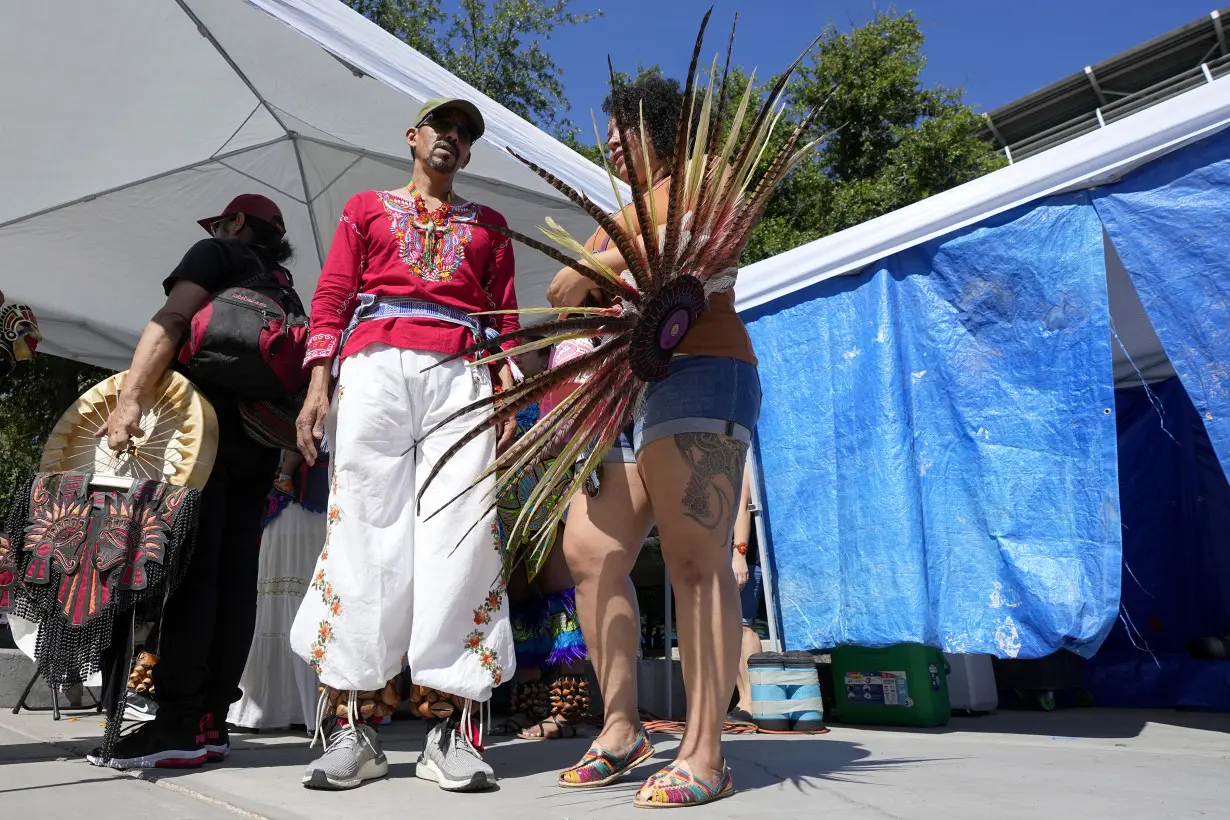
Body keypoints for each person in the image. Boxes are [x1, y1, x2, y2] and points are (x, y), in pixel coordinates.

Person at [290, 96, 518, 792]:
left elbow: (503, 313)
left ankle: (453, 730)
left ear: (469, 154)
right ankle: (352, 728)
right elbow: (332, 295)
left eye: (464, 135)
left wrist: (506, 389)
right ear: (413, 137)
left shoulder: (489, 224)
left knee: (462, 536)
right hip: (373, 365)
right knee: (362, 531)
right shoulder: (364, 207)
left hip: (461, 369)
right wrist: (317, 385)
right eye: (440, 128)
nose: (451, 139)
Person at [550, 74, 761, 807]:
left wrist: (597, 270)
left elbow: (705, 259)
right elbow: (557, 294)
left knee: (697, 560)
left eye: (624, 126)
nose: (609, 138)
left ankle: (706, 751)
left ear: (662, 128)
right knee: (592, 553)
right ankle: (621, 727)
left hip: (702, 370)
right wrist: (603, 266)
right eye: (607, 129)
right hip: (620, 394)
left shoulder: (705, 181)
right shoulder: (618, 217)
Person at [91, 194, 292, 768]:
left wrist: (129, 398)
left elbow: (173, 319)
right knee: (234, 582)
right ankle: (209, 723)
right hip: (256, 440)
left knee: (190, 577)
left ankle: (176, 725)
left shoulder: (215, 253)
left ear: (233, 224)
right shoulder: (282, 282)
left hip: (197, 432)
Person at [491, 346, 591, 741]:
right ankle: (527, 705)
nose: (524, 358)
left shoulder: (559, 381)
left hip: (550, 500)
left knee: (560, 596)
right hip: (506, 505)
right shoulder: (499, 387)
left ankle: (570, 709)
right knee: (522, 603)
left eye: (538, 351)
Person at [228, 450, 327, 731]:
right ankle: (311, 706)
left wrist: (284, 473)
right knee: (310, 603)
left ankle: (271, 704)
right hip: (320, 504)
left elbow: (296, 441)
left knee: (281, 603)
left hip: (296, 505)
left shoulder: (306, 408)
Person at [729, 462, 762, 722]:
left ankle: (753, 699)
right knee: (732, 628)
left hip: (743, 556)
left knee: (743, 625)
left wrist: (739, 555)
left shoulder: (743, 454)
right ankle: (743, 697)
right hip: (726, 554)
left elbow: (743, 506)